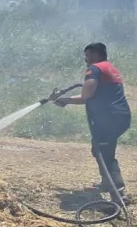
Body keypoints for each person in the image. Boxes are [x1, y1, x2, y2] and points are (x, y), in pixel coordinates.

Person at [55, 42, 131, 197]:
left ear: (96, 54)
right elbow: (88, 98)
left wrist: (64, 100)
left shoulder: (95, 69)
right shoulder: (109, 68)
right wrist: (65, 100)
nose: (86, 59)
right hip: (119, 117)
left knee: (104, 154)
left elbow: (86, 96)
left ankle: (118, 193)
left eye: (88, 55)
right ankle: (107, 183)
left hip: (109, 118)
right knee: (100, 150)